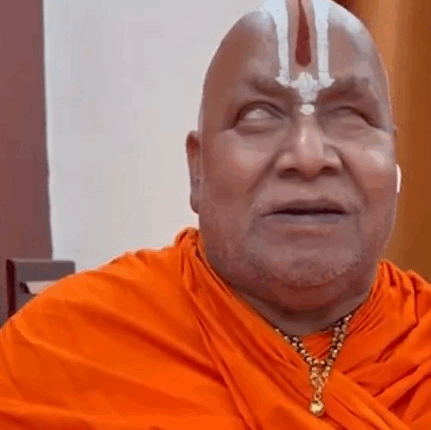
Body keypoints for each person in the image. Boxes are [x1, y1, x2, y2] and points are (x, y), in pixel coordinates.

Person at [0, 0, 429, 428]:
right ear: (197, 171)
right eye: (258, 114)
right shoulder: (57, 353)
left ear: (394, 158)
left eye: (351, 114)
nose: (308, 156)